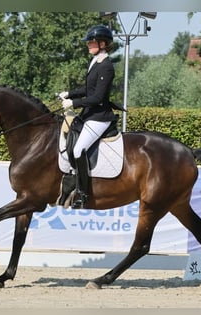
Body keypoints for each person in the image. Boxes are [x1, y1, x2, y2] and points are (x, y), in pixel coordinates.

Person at [58, 24, 119, 209]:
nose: (88, 45)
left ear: (102, 43)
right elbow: (88, 89)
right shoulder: (96, 61)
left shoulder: (106, 66)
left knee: (78, 150)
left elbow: (98, 97)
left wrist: (74, 104)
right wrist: (70, 93)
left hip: (100, 116)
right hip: (89, 114)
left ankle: (83, 194)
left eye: (91, 42)